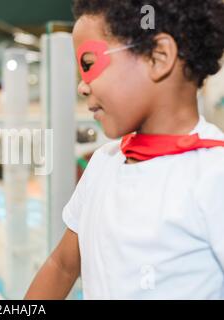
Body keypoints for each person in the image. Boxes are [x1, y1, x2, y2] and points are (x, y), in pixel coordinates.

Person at [26, 0, 224, 299]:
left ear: (159, 57)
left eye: (89, 65)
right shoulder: (105, 164)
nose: (82, 86)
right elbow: (62, 265)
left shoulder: (213, 175)